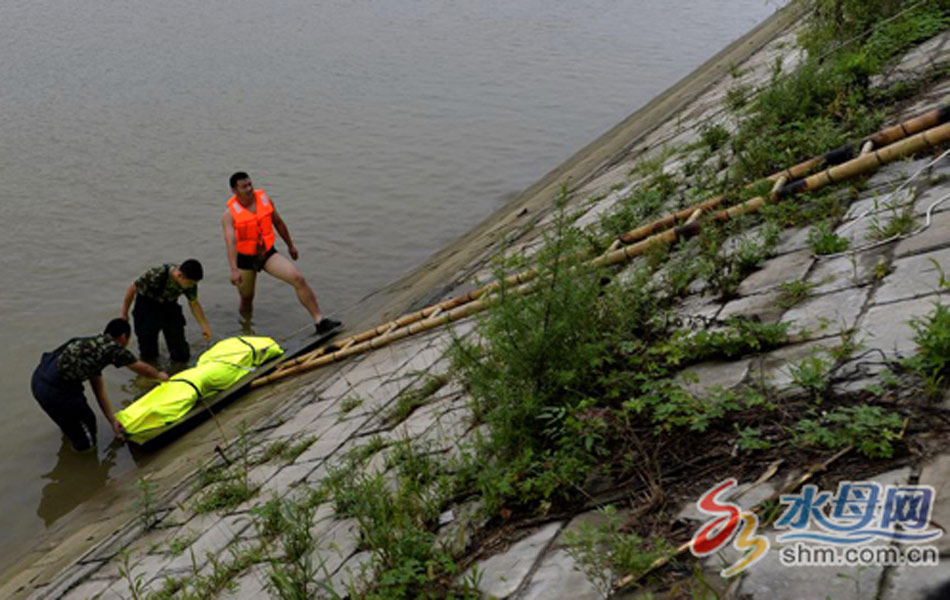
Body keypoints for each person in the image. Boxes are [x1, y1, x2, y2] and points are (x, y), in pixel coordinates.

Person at [221, 172, 341, 334]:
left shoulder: (264, 200)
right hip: (244, 259)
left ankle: (319, 320)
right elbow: (230, 242)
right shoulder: (229, 215)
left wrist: (291, 245)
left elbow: (278, 222)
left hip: (267, 254)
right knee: (246, 298)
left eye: (250, 184)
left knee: (298, 278)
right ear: (234, 191)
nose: (249, 189)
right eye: (244, 187)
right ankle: (247, 331)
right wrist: (233, 270)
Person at [31, 318, 169, 451]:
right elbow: (144, 370)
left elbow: (99, 391)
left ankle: (70, 449)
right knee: (88, 429)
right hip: (56, 390)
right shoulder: (112, 348)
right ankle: (87, 465)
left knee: (72, 424)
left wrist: (113, 421)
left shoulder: (88, 346)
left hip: (38, 381)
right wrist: (161, 376)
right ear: (123, 337)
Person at [120, 259, 212, 364]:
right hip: (146, 307)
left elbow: (194, 303)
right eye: (190, 283)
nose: (192, 286)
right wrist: (124, 313)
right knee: (148, 352)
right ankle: (150, 374)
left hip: (169, 306)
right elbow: (132, 289)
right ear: (179, 276)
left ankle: (178, 368)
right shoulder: (157, 275)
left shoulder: (189, 282)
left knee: (180, 352)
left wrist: (204, 326)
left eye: (194, 283)